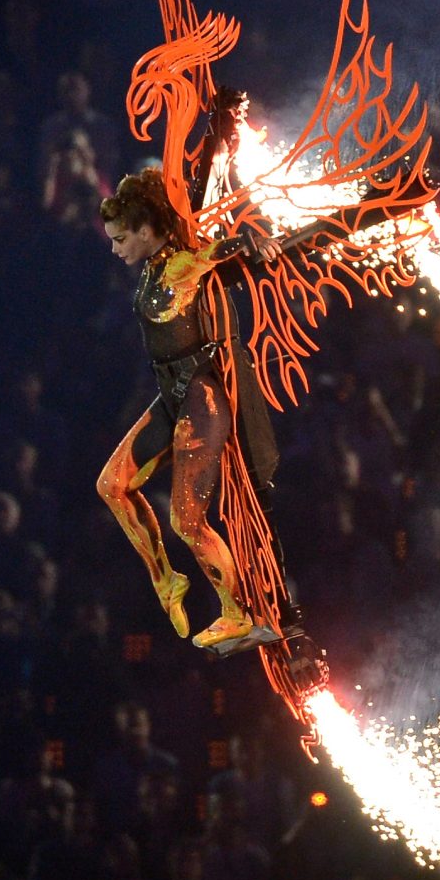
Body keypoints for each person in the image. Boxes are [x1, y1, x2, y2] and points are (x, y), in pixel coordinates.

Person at [93, 170, 275, 651]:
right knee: (112, 486)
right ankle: (167, 581)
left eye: (119, 239)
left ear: (146, 231)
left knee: (186, 519)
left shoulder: (176, 267)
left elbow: (219, 253)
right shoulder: (152, 268)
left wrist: (254, 243)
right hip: (172, 397)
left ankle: (236, 612)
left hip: (200, 397)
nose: (114, 249)